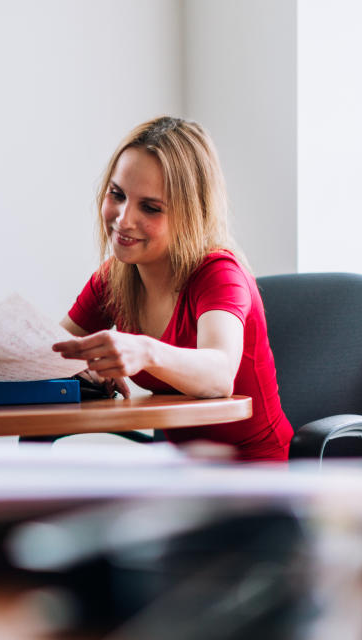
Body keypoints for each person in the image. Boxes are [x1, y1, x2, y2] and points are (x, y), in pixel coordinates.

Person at [52, 116, 292, 461]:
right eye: (117, 195)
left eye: (149, 207)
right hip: (182, 475)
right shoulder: (114, 279)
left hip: (254, 479)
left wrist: (146, 352)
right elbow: (50, 351)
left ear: (192, 213)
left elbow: (219, 373)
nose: (123, 219)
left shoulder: (219, 273)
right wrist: (72, 366)